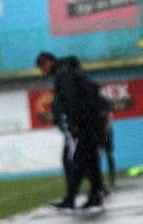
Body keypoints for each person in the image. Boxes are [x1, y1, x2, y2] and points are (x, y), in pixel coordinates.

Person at [36, 51, 107, 212]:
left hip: (82, 125)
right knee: (88, 160)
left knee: (74, 161)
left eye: (42, 67)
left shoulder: (63, 74)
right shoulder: (71, 71)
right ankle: (95, 194)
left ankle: (72, 198)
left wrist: (74, 124)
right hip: (90, 123)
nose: (43, 72)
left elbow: (71, 100)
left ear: (47, 62)